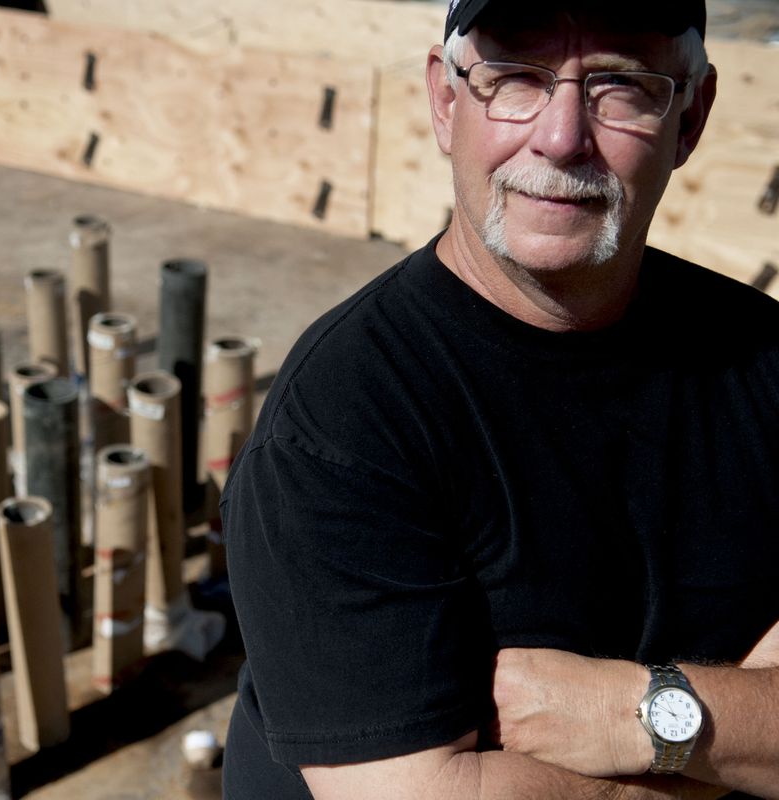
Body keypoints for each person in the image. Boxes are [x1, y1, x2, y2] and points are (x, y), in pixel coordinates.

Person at [221, 0, 779, 797]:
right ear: (446, 101)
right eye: (515, 78)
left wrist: (625, 715)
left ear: (689, 118)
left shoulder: (761, 360)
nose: (561, 137)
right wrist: (738, 746)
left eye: (620, 86)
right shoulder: (341, 425)